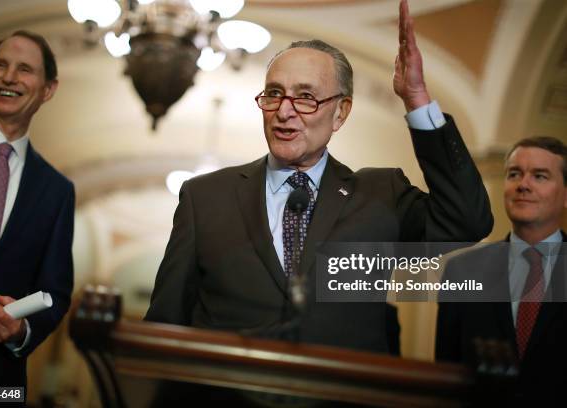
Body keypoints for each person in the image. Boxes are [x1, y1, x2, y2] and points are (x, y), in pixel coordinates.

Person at [145, 0, 492, 354]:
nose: (284, 112)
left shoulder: (380, 195)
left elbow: (467, 220)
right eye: (275, 94)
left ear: (340, 113)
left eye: (306, 97)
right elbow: (165, 320)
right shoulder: (205, 197)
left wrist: (417, 101)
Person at [0, 30, 75, 389]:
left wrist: (20, 328)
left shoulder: (57, 191)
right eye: (0, 65)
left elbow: (55, 292)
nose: (8, 77)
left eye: (24, 69)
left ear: (47, 89)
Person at [436, 136, 567, 405]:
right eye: (514, 174)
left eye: (540, 176)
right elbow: (446, 372)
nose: (523, 185)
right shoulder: (462, 270)